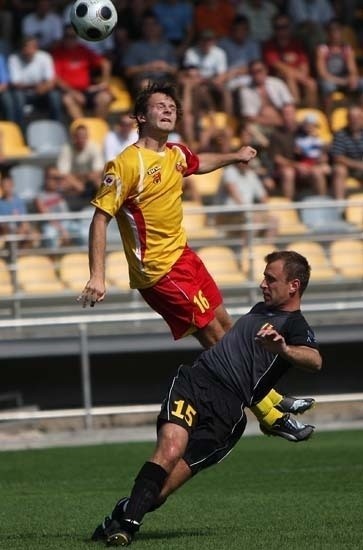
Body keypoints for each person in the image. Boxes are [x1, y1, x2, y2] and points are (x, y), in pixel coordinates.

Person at [79, 81, 315, 442]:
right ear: (141, 116)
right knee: (217, 340)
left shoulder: (173, 153)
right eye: (160, 105)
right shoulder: (126, 163)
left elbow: (199, 163)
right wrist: (98, 275)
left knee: (229, 328)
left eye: (172, 105)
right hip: (159, 272)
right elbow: (100, 217)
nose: (169, 109)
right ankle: (269, 414)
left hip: (185, 257)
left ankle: (270, 396)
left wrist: (235, 156)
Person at [90, 249, 323, 546]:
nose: (263, 284)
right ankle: (126, 531)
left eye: (270, 279)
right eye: (264, 277)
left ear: (294, 286)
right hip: (196, 383)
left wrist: (284, 350)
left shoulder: (294, 326)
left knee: (159, 492)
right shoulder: (260, 309)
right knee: (169, 449)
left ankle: (118, 518)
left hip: (227, 415)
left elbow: (315, 360)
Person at [51, 24, 112, 121]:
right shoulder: (57, 53)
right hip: (69, 91)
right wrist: (73, 92)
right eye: (68, 36)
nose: (70, 40)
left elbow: (105, 63)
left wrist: (105, 82)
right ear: (63, 37)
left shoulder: (83, 50)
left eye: (73, 37)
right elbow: (56, 79)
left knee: (105, 98)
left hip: (87, 89)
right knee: (67, 100)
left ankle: (99, 127)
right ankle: (83, 128)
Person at [8, 35, 63, 132]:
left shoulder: (45, 57)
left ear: (36, 48)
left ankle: (57, 128)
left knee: (55, 95)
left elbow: (51, 81)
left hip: (42, 92)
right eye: (25, 47)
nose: (28, 50)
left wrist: (43, 88)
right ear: (21, 48)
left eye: (30, 47)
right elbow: (15, 84)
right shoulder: (14, 59)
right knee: (17, 96)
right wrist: (36, 86)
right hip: (23, 94)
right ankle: (19, 130)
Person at [263, 13, 318, 107]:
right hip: (276, 80)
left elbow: (304, 66)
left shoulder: (297, 44)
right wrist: (300, 76)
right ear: (274, 29)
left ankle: (311, 112)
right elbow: (279, 66)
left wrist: (302, 77)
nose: (282, 30)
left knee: (311, 83)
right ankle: (295, 111)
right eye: (278, 27)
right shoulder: (269, 45)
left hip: (298, 77)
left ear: (290, 27)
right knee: (289, 76)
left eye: (285, 27)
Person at [315, 18, 363, 114]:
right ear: (327, 32)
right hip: (329, 79)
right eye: (332, 30)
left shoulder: (346, 49)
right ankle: (328, 117)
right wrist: (342, 82)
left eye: (337, 30)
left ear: (341, 32)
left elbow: (352, 69)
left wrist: (352, 78)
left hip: (344, 79)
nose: (335, 34)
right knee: (327, 86)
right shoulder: (322, 49)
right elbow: (322, 73)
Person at [56, 123, 104, 211]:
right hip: (73, 181)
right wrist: (77, 183)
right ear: (74, 137)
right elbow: (63, 173)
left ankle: (101, 210)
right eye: (78, 136)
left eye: (83, 136)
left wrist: (81, 180)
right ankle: (68, 210)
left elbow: (97, 172)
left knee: (100, 183)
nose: (81, 139)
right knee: (62, 185)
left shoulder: (94, 147)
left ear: (87, 137)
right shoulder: (66, 148)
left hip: (89, 181)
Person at [330, 104, 363, 200]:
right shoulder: (340, 134)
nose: (355, 120)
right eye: (352, 118)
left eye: (358, 118)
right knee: (339, 170)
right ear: (348, 119)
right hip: (348, 167)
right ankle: (340, 205)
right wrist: (357, 165)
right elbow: (337, 157)